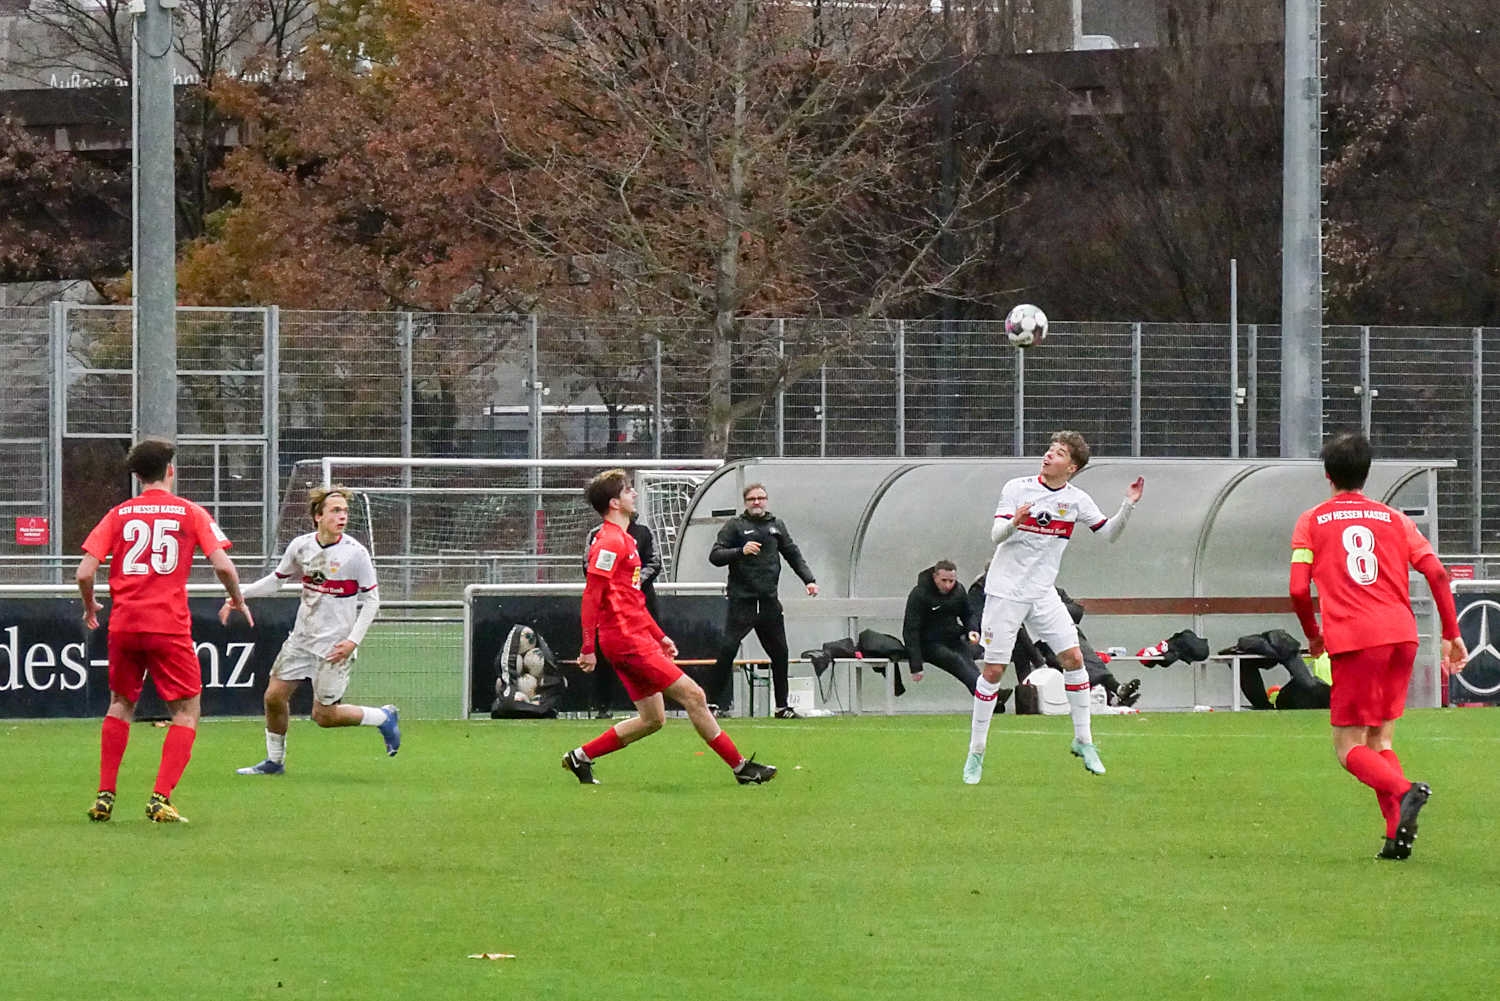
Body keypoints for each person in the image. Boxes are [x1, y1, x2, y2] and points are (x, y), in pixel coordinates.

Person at [1288, 430, 1465, 860]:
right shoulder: (1395, 520)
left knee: (1348, 747)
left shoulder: (1312, 520)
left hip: (1355, 639)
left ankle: (1405, 791)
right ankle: (1394, 837)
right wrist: (1451, 632)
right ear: (1366, 474)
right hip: (1401, 635)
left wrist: (1313, 634)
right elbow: (1436, 573)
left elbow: (1297, 588)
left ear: (1328, 474)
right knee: (1380, 741)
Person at [562, 469, 776, 786]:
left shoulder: (626, 539)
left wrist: (658, 635)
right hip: (626, 641)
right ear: (614, 503)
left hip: (634, 637)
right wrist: (587, 647)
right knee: (694, 695)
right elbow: (592, 595)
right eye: (627, 490)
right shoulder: (609, 541)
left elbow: (633, 601)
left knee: (653, 719)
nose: (634, 493)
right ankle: (741, 767)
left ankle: (580, 757)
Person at [77, 437, 252, 824]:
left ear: (137, 476)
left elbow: (85, 572)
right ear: (170, 471)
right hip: (167, 625)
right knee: (186, 710)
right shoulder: (190, 512)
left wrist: (90, 606)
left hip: (124, 624)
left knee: (120, 703)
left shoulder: (119, 514)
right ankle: (160, 797)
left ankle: (105, 796)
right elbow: (223, 566)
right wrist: (236, 598)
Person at [965, 430, 1144, 783]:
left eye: (1059, 452)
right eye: (1050, 449)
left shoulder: (1076, 500)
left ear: (1071, 467)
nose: (1048, 455)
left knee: (1074, 659)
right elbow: (995, 535)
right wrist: (1014, 523)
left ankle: (1084, 741)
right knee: (994, 672)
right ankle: (977, 751)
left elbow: (1109, 534)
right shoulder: (1017, 487)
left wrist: (1128, 505)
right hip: (1005, 592)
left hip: (1042, 593)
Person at [228, 485, 400, 775]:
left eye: (345, 511)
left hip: (335, 647)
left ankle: (383, 717)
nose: (342, 516)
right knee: (273, 697)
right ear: (318, 516)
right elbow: (277, 580)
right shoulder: (301, 546)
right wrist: (240, 595)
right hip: (301, 639)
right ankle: (274, 762)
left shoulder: (356, 554)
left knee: (324, 716)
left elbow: (372, 600)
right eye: (335, 511)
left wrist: (352, 641)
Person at [706, 482, 819, 717]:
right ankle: (712, 704)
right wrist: (740, 551)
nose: (757, 502)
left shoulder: (776, 526)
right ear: (745, 502)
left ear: (766, 500)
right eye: (752, 499)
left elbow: (792, 554)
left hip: (768, 601)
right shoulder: (735, 526)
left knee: (780, 653)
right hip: (743, 601)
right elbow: (715, 556)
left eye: (761, 498)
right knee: (728, 650)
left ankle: (782, 706)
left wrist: (809, 580)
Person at [583, 514, 663, 719]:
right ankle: (603, 705)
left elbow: (655, 563)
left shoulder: (643, 532)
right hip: (610, 610)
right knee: (605, 656)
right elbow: (588, 568)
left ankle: (653, 704)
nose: (632, 499)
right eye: (627, 496)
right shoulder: (598, 535)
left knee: (650, 656)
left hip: (642, 603)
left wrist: (634, 583)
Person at [902, 560, 1007, 703]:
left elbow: (968, 614)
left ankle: (988, 696)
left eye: (951, 581)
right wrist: (916, 666)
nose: (947, 585)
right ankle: (988, 695)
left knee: (967, 659)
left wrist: (972, 630)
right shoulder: (919, 594)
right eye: (943, 580)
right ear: (935, 577)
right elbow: (910, 631)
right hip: (928, 644)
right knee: (955, 660)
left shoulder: (958, 591)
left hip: (953, 639)